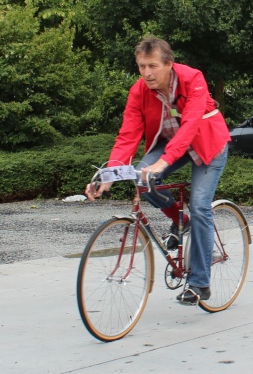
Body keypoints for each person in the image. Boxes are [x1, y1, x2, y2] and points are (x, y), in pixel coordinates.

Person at [85, 37, 230, 305]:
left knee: (200, 206)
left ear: (169, 64)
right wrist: (109, 175)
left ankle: (199, 283)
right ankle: (181, 220)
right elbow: (128, 134)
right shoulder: (139, 91)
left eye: (152, 66)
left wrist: (163, 162)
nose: (147, 73)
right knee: (142, 179)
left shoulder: (193, 79)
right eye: (141, 66)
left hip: (208, 145)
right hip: (169, 142)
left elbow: (190, 125)